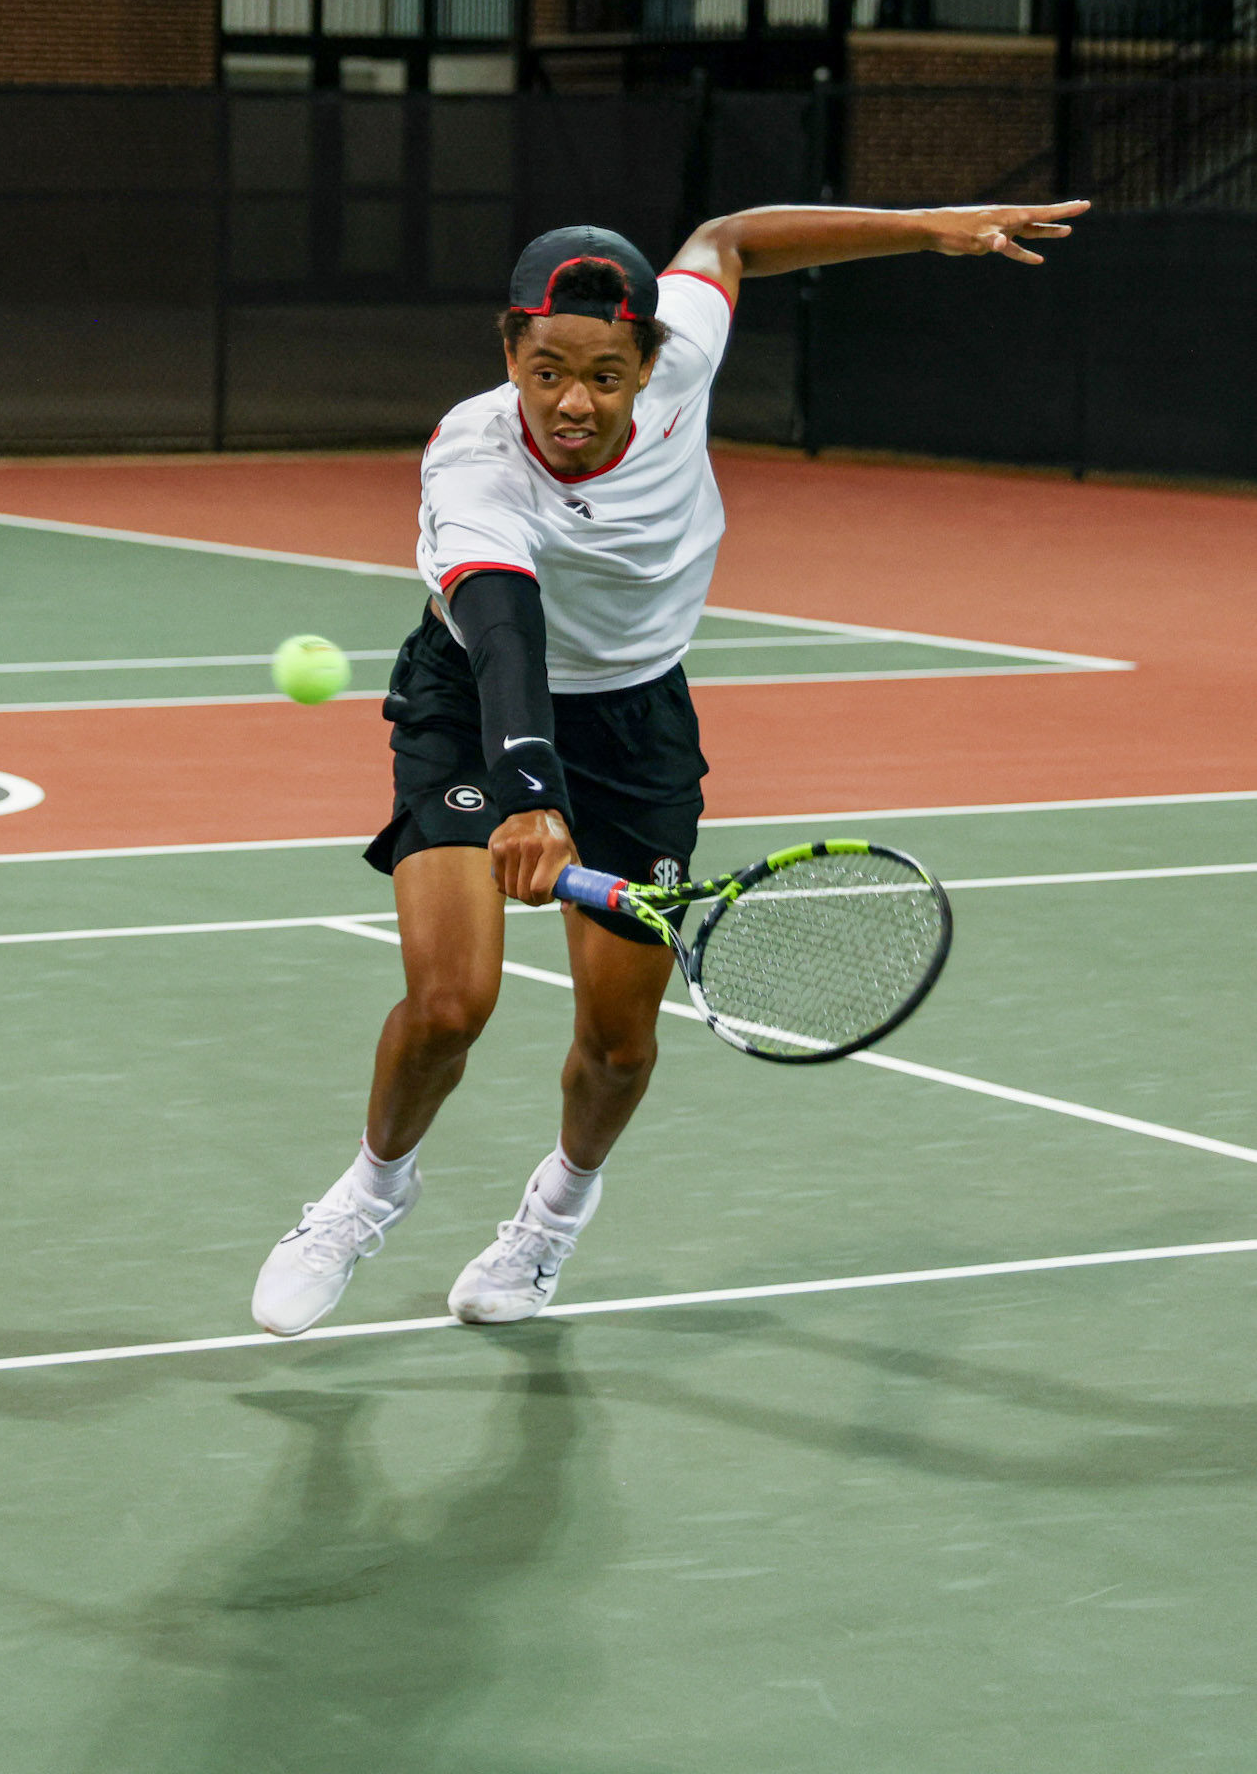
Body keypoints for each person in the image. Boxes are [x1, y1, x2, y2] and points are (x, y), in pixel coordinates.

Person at [252, 195, 1088, 1334]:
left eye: (602, 372)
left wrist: (919, 227)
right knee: (451, 1004)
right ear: (510, 352)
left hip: (636, 718)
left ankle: (551, 1218)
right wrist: (532, 795)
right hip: (474, 702)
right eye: (545, 370)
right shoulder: (472, 455)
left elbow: (729, 239)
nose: (572, 402)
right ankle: (366, 1194)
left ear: (650, 361)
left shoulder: (685, 353)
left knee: (617, 1039)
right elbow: (503, 626)